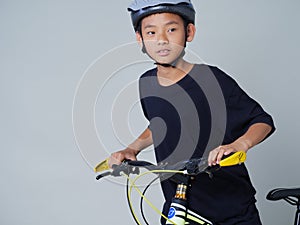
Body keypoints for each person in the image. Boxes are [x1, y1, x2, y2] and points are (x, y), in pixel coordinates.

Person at [109, 0, 275, 224]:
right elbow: (159, 124)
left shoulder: (212, 80)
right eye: (151, 32)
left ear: (189, 32)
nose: (162, 40)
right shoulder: (146, 83)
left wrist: (239, 145)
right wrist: (132, 148)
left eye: (171, 29)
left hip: (229, 208)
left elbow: (262, 121)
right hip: (179, 206)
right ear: (140, 39)